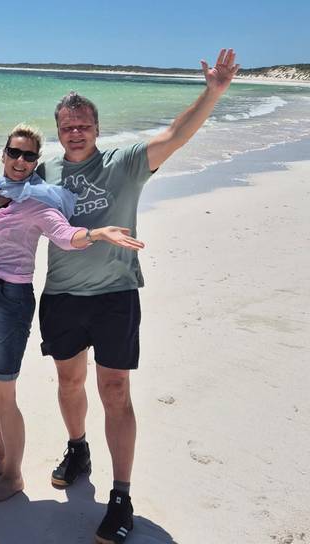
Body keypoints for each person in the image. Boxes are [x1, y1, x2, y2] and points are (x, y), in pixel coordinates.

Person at [36, 49, 239, 543]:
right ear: (58, 132)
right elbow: (9, 213)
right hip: (62, 294)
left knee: (116, 392)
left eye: (83, 125)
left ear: (97, 128)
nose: (76, 132)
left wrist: (212, 92)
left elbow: (176, 134)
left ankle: (121, 494)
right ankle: (78, 447)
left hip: (115, 295)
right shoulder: (44, 173)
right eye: (67, 127)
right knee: (68, 381)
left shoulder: (125, 163)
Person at [0, 124, 144, 502]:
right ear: (3, 155)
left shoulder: (37, 202)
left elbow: (65, 236)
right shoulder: (0, 195)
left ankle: (13, 476)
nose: (20, 161)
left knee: (3, 390)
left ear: (36, 163)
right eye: (15, 153)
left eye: (29, 156)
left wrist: (96, 234)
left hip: (9, 300)